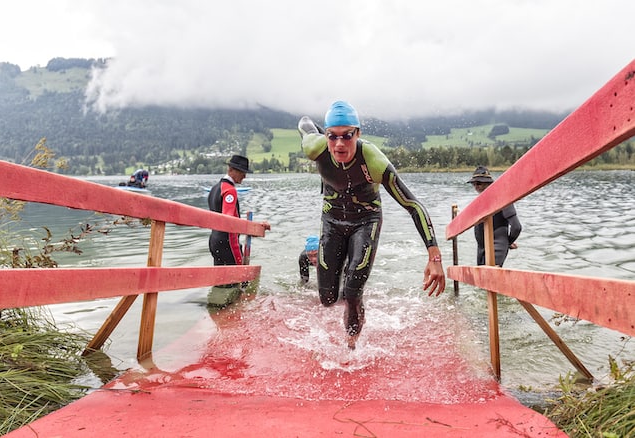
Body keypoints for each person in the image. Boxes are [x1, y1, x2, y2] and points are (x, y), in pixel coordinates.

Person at [298, 101, 446, 350]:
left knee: (352, 292)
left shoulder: (375, 162)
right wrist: (313, 127)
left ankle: (351, 348)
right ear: (325, 136)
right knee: (327, 298)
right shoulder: (316, 148)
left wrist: (435, 256)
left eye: (347, 135)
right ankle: (346, 265)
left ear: (358, 133)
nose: (339, 144)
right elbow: (303, 124)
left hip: (365, 221)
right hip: (332, 220)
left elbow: (413, 205)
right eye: (332, 136)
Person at [207, 155, 271, 287]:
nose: (244, 176)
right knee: (239, 281)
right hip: (228, 241)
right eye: (242, 172)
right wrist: (254, 227)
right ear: (231, 170)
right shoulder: (230, 190)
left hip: (214, 240)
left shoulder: (215, 189)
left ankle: (217, 306)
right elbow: (229, 221)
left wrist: (254, 227)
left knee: (220, 281)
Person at [467, 166, 522, 267]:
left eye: (479, 183)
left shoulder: (502, 198)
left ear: (489, 183)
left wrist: (508, 243)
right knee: (481, 281)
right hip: (481, 249)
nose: (475, 186)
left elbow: (516, 227)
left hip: (497, 248)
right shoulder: (480, 202)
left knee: (490, 279)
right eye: (473, 184)